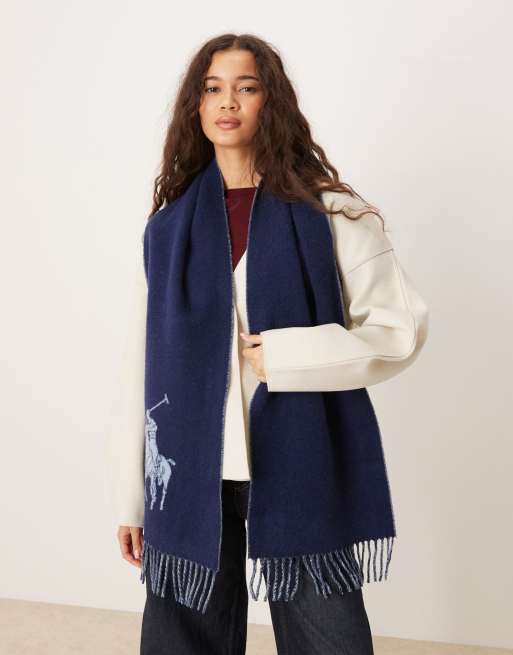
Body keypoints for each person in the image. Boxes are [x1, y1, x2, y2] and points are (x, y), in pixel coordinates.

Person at [106, 33, 429, 655]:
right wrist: (132, 496)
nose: (228, 102)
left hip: (300, 462)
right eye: (213, 88)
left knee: (329, 640)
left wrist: (288, 358)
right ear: (197, 106)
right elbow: (141, 368)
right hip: (191, 473)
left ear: (270, 102)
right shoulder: (169, 228)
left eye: (246, 87)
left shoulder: (330, 212)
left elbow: (399, 330)